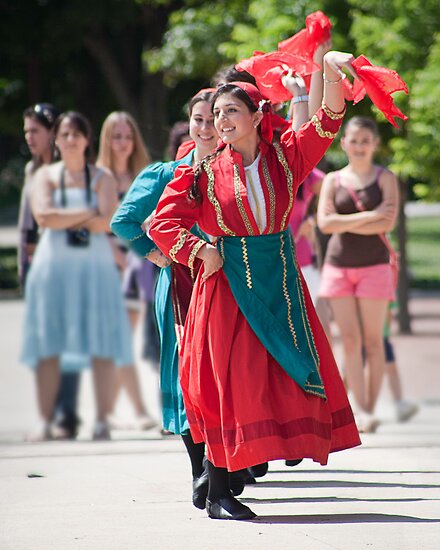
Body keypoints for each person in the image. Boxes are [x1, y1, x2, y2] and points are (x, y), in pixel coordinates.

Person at [149, 51, 361, 521]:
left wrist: (326, 69)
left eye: (231, 112)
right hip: (227, 290)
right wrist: (199, 250)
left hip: (279, 285)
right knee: (230, 386)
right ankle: (220, 489)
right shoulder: (200, 169)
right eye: (216, 113)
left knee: (273, 382)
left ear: (256, 116)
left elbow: (327, 122)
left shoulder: (284, 160)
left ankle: (227, 480)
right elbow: (161, 224)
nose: (220, 121)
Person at [111, 90, 225, 509]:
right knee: (183, 376)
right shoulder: (165, 173)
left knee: (223, 375)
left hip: (225, 284)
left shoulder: (235, 171)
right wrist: (154, 252)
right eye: (198, 120)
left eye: (212, 119)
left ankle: (225, 467)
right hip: (177, 288)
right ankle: (200, 469)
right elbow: (123, 221)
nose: (206, 127)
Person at [21, 111, 134, 441]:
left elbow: (108, 222)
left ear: (87, 139)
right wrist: (88, 214)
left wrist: (66, 217)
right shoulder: (44, 177)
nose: (70, 140)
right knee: (49, 345)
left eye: (77, 134)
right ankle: (46, 418)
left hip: (94, 267)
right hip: (53, 265)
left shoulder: (103, 177)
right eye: (65, 134)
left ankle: (102, 418)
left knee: (100, 342)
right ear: (56, 139)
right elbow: (43, 215)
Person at [317, 116, 399, 433]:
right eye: (354, 139)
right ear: (344, 143)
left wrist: (345, 220)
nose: (360, 145)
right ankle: (352, 408)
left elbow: (387, 224)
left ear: (375, 144)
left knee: (373, 342)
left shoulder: (385, 178)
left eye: (366, 140)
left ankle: (368, 409)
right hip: (338, 267)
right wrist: (369, 216)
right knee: (349, 341)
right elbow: (325, 225)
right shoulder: (333, 180)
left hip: (375, 267)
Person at [21, 103, 82, 439]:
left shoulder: (71, 171)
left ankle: (66, 411)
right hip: (39, 263)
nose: (29, 137)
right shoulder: (33, 171)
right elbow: (32, 222)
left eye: (35, 131)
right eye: (26, 131)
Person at [96, 111, 157, 430]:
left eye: (128, 136)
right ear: (107, 140)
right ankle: (119, 411)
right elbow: (95, 226)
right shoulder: (97, 177)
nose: (123, 143)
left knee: (123, 340)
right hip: (107, 268)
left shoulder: (145, 176)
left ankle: (109, 413)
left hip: (140, 266)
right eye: (116, 136)